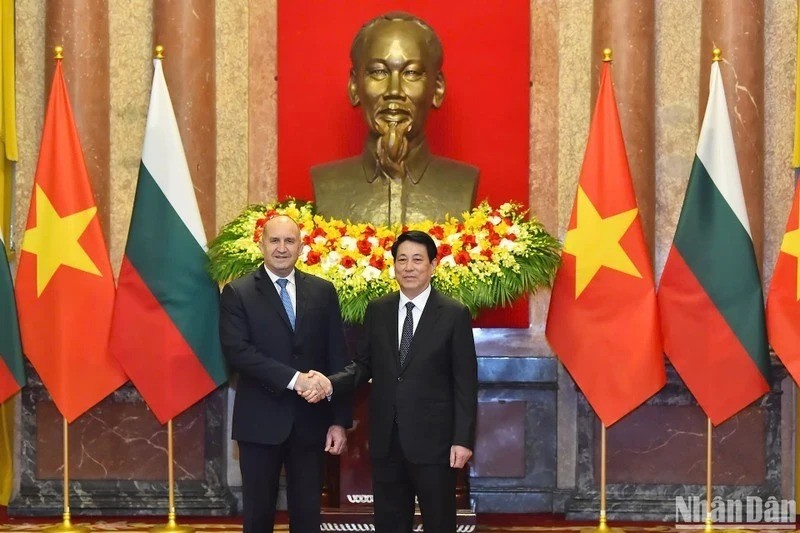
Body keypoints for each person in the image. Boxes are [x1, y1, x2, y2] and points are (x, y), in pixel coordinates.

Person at [303, 230, 478, 532]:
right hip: (387, 442)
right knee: (390, 524)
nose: (409, 267)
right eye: (402, 260)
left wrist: (462, 440)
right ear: (394, 265)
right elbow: (363, 365)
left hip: (435, 444)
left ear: (433, 266)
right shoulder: (378, 310)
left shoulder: (453, 314)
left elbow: (465, 383)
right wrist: (331, 383)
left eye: (417, 260)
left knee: (440, 523)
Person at [219, 214, 350, 533]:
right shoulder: (238, 292)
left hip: (311, 423)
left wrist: (339, 421)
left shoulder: (322, 291)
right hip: (260, 424)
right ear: (261, 245)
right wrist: (296, 380)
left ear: (301, 247)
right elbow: (239, 353)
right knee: (258, 516)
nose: (281, 248)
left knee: (308, 517)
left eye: (289, 241)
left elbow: (338, 357)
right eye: (274, 241)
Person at [311, 12, 478, 226]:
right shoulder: (327, 183)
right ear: (354, 86)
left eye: (411, 73)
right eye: (379, 72)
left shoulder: (462, 183)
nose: (394, 91)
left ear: (437, 88)